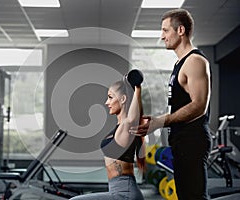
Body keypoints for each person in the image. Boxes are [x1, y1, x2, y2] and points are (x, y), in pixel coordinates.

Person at [130, 8, 212, 200]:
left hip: (192, 140)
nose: (162, 36)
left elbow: (199, 105)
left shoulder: (195, 61)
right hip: (180, 140)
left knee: (194, 197)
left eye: (166, 30)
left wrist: (160, 121)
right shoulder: (179, 64)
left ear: (180, 30)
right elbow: (180, 104)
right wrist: (157, 120)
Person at [70, 71, 145, 200]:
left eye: (110, 97)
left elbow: (132, 118)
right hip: (117, 190)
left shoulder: (126, 127)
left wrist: (137, 88)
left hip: (124, 193)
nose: (106, 102)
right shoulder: (118, 128)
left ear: (122, 99)